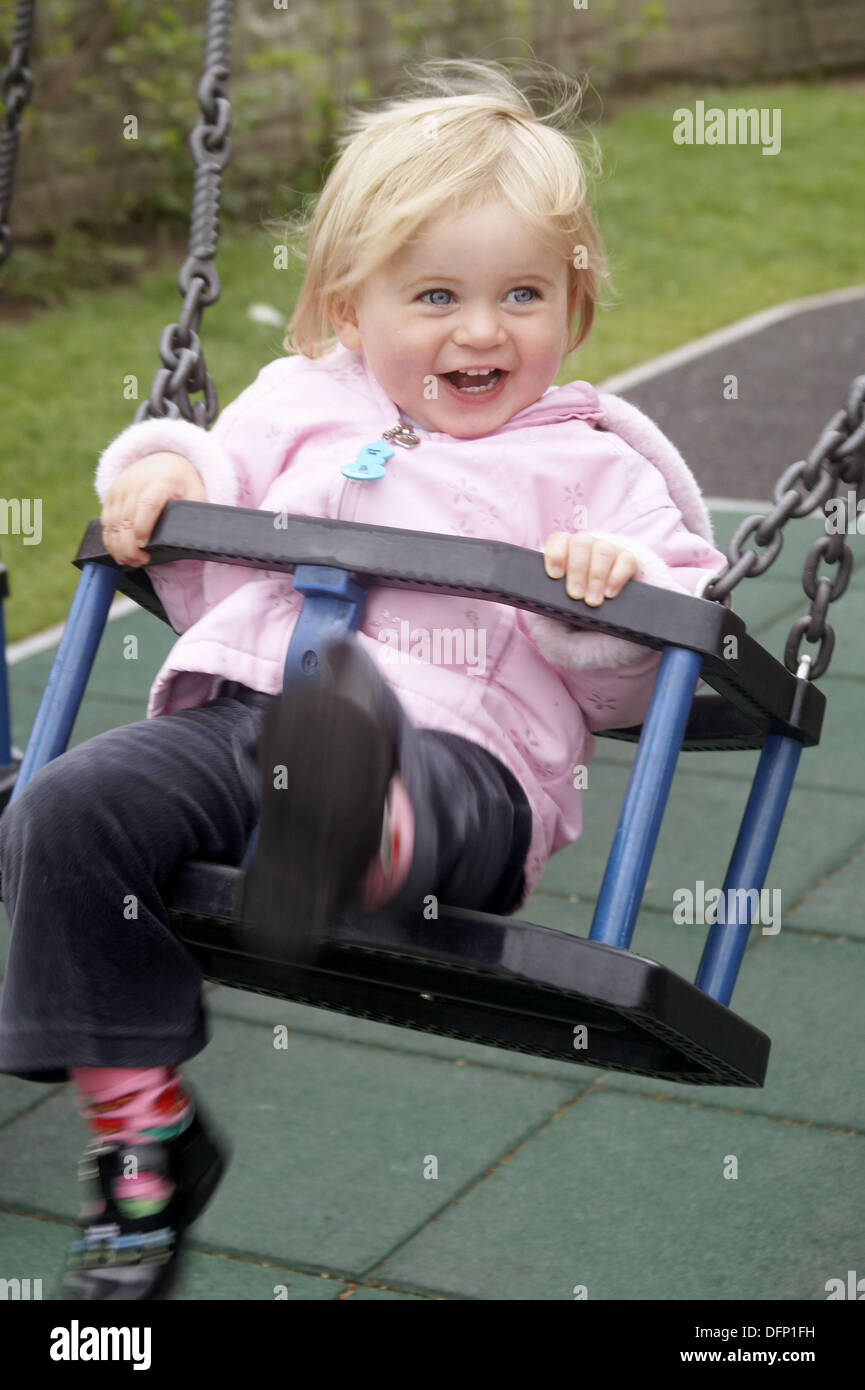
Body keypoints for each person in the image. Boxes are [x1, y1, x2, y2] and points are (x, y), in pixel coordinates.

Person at [0, 58, 728, 1299]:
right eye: (436, 293)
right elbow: (202, 484)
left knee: (388, 759)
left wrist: (614, 591)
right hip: (249, 722)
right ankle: (142, 1137)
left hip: (465, 773)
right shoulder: (300, 408)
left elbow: (643, 674)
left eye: (522, 294)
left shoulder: (595, 470)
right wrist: (158, 474)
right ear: (351, 308)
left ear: (575, 307)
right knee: (64, 807)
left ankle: (364, 823)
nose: (483, 330)